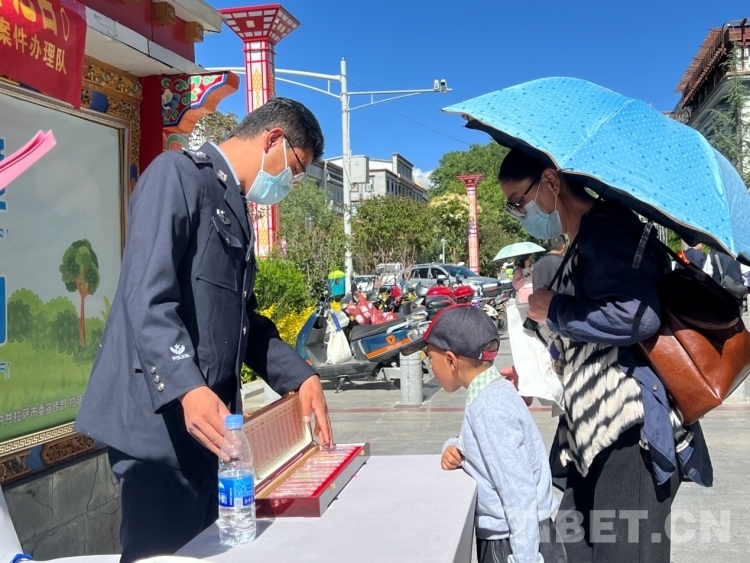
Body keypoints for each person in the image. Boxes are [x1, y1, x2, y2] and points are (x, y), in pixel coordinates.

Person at [75, 98, 333, 562]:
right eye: (295, 170)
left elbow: (244, 322)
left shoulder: (232, 205)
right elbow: (146, 296)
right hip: (159, 430)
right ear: (273, 139)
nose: (290, 185)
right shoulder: (176, 175)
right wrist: (186, 386)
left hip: (209, 430)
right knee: (162, 554)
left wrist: (301, 376)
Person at [498, 147, 712, 562]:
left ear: (551, 182)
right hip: (592, 433)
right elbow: (593, 335)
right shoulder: (583, 239)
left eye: (518, 202)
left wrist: (554, 309)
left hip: (628, 433)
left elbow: (637, 316)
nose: (519, 214)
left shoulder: (607, 229)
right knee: (569, 549)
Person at [404, 304, 564, 563]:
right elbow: (482, 448)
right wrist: (454, 447)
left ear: (451, 361)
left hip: (514, 543)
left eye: (430, 359)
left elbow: (519, 490)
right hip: (519, 536)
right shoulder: (492, 393)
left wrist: (525, 558)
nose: (431, 369)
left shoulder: (489, 408)